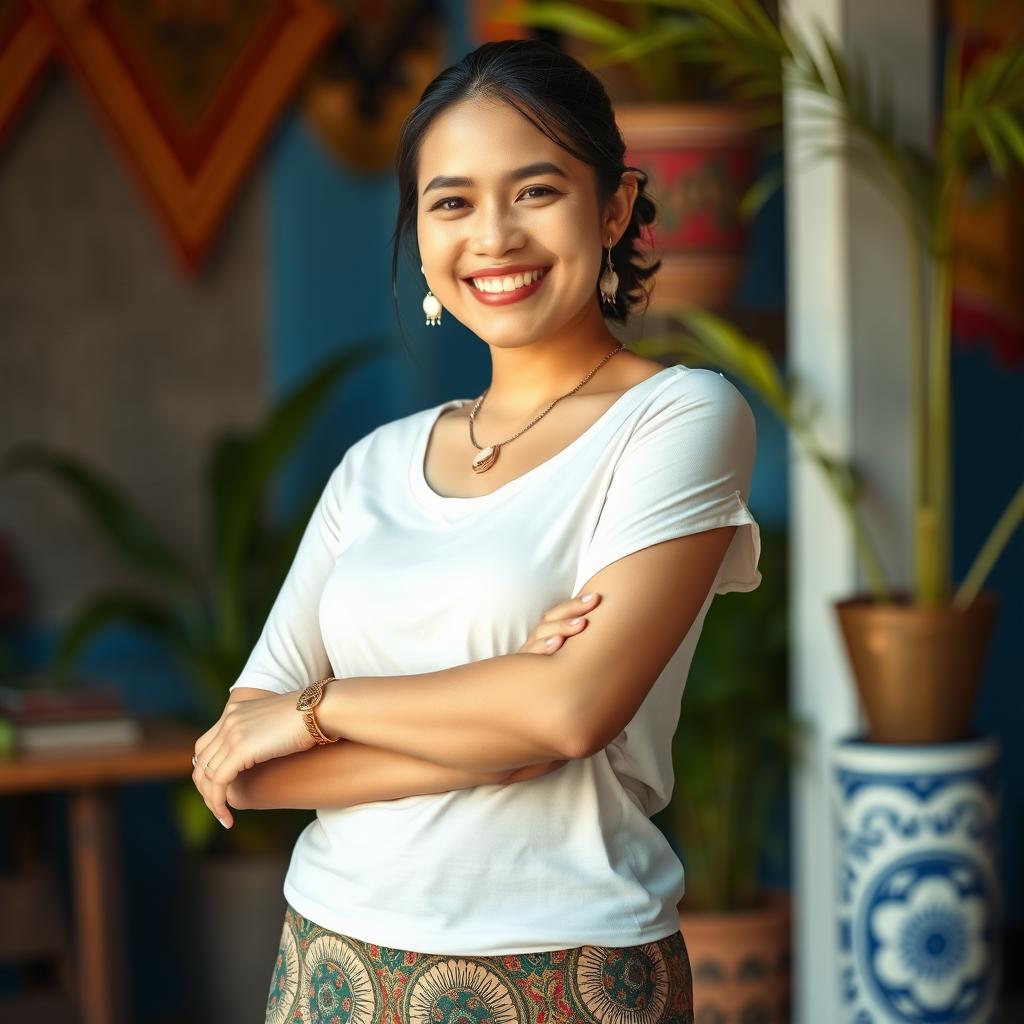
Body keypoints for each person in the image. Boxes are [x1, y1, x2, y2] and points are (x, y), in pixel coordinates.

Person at [192, 38, 761, 1024]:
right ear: (419, 235)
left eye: (535, 190)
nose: (492, 236)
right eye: (451, 202)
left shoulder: (677, 418)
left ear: (614, 206)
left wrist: (321, 706)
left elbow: (570, 713)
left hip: (568, 971)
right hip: (332, 963)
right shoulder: (375, 463)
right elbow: (251, 762)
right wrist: (501, 731)